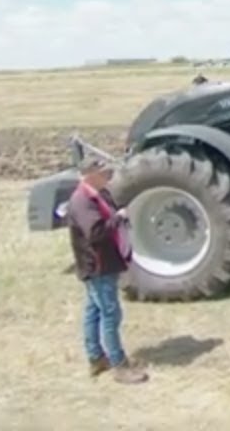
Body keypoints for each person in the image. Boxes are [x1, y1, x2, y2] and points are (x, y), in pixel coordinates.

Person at [67, 155, 149, 383]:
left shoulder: (98, 195)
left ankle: (96, 358)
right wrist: (118, 218)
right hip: (97, 266)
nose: (108, 176)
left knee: (94, 310)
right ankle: (119, 365)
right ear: (90, 175)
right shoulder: (82, 201)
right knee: (110, 314)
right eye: (103, 173)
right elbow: (95, 233)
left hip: (103, 263)